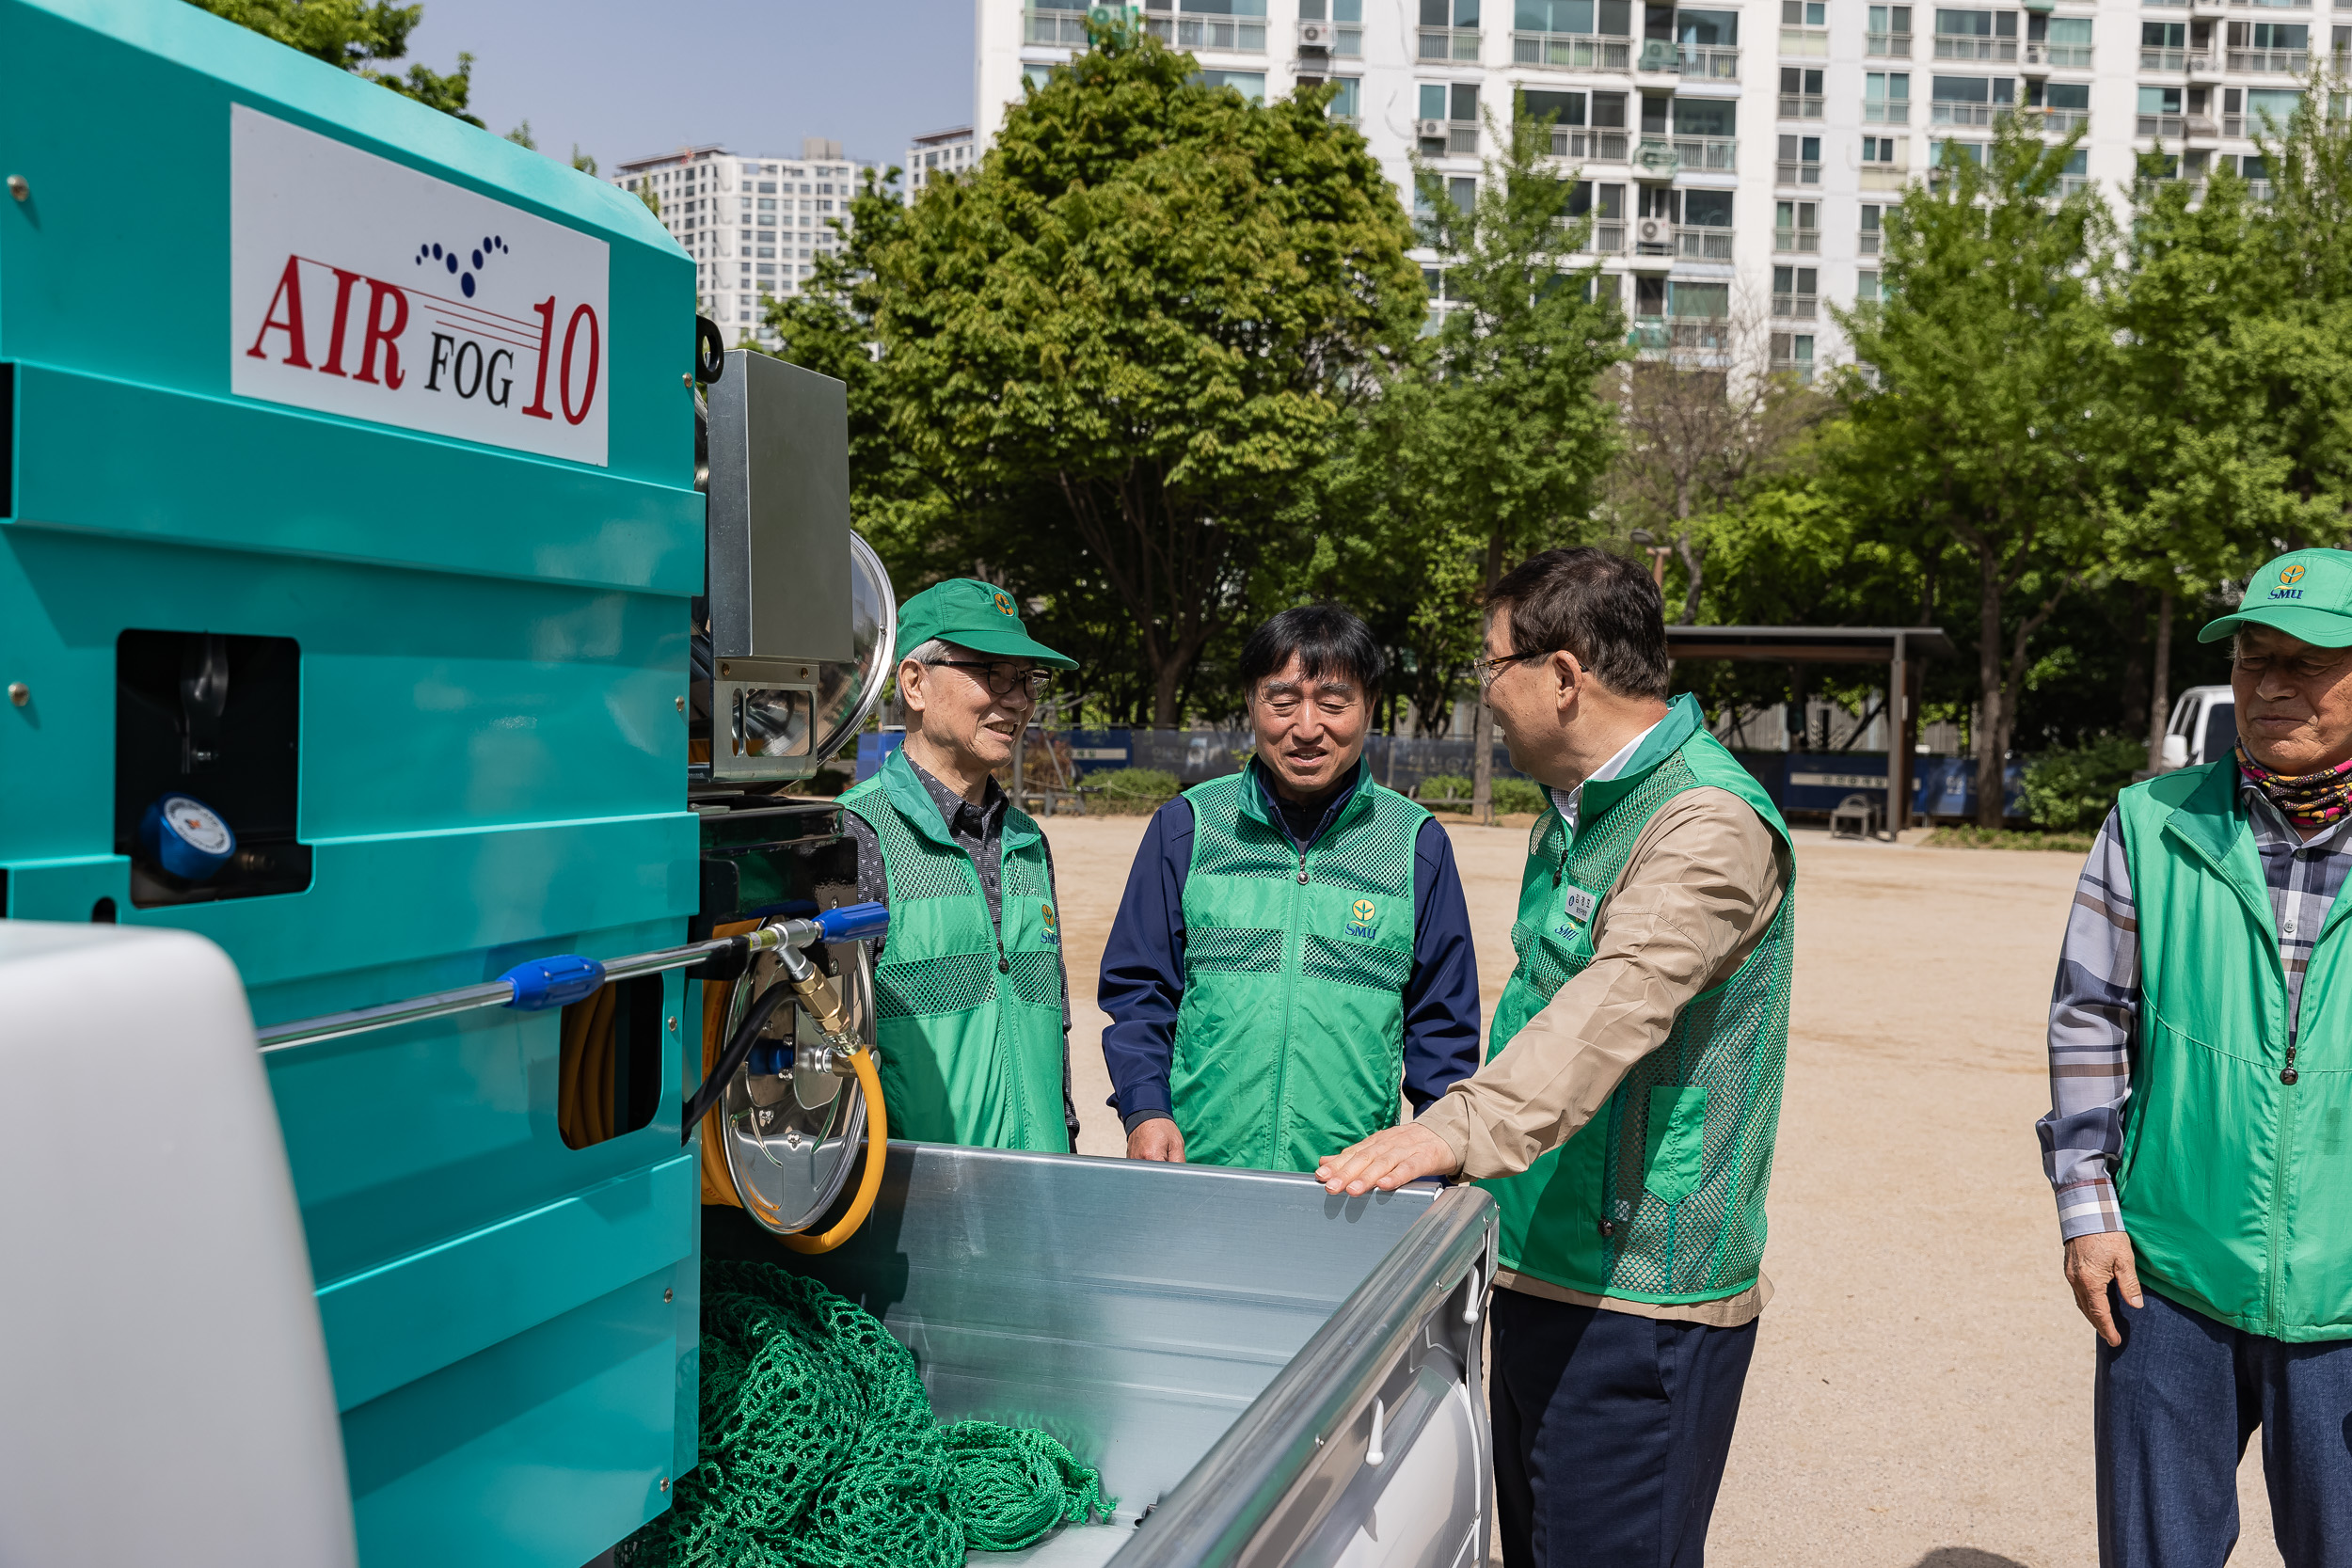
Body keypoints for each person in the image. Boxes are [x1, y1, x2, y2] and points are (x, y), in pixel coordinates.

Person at [1312, 548, 1794, 1568]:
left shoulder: (1705, 820)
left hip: (1639, 1295)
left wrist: (1448, 1130)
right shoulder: (1577, 808)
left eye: (1494, 666)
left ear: (1564, 675)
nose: (1486, 694)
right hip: (1540, 1258)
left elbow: (1613, 1007)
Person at [2041, 547, 2352, 1567]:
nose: (2269, 685)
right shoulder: (2152, 820)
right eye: (2256, 657)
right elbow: (2089, 1020)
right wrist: (2088, 1215)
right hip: (2166, 1275)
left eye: (2306, 662)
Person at [1098, 604, 1481, 1172]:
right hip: (1198, 1168)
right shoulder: (1186, 827)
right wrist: (1145, 1109)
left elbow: (1443, 1027)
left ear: (1369, 708)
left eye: (1333, 703)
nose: (1306, 728)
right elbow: (1139, 990)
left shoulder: (1417, 844)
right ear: (1251, 704)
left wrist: (1438, 1153)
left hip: (1353, 1184)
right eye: (1282, 702)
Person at [836, 578, 1082, 1151]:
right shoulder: (854, 834)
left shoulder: (1027, 841)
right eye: (993, 672)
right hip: (917, 1211)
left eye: (1028, 679)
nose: (1018, 698)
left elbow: (1054, 1028)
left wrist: (1066, 1153)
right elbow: (829, 1055)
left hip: (1039, 1195)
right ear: (915, 683)